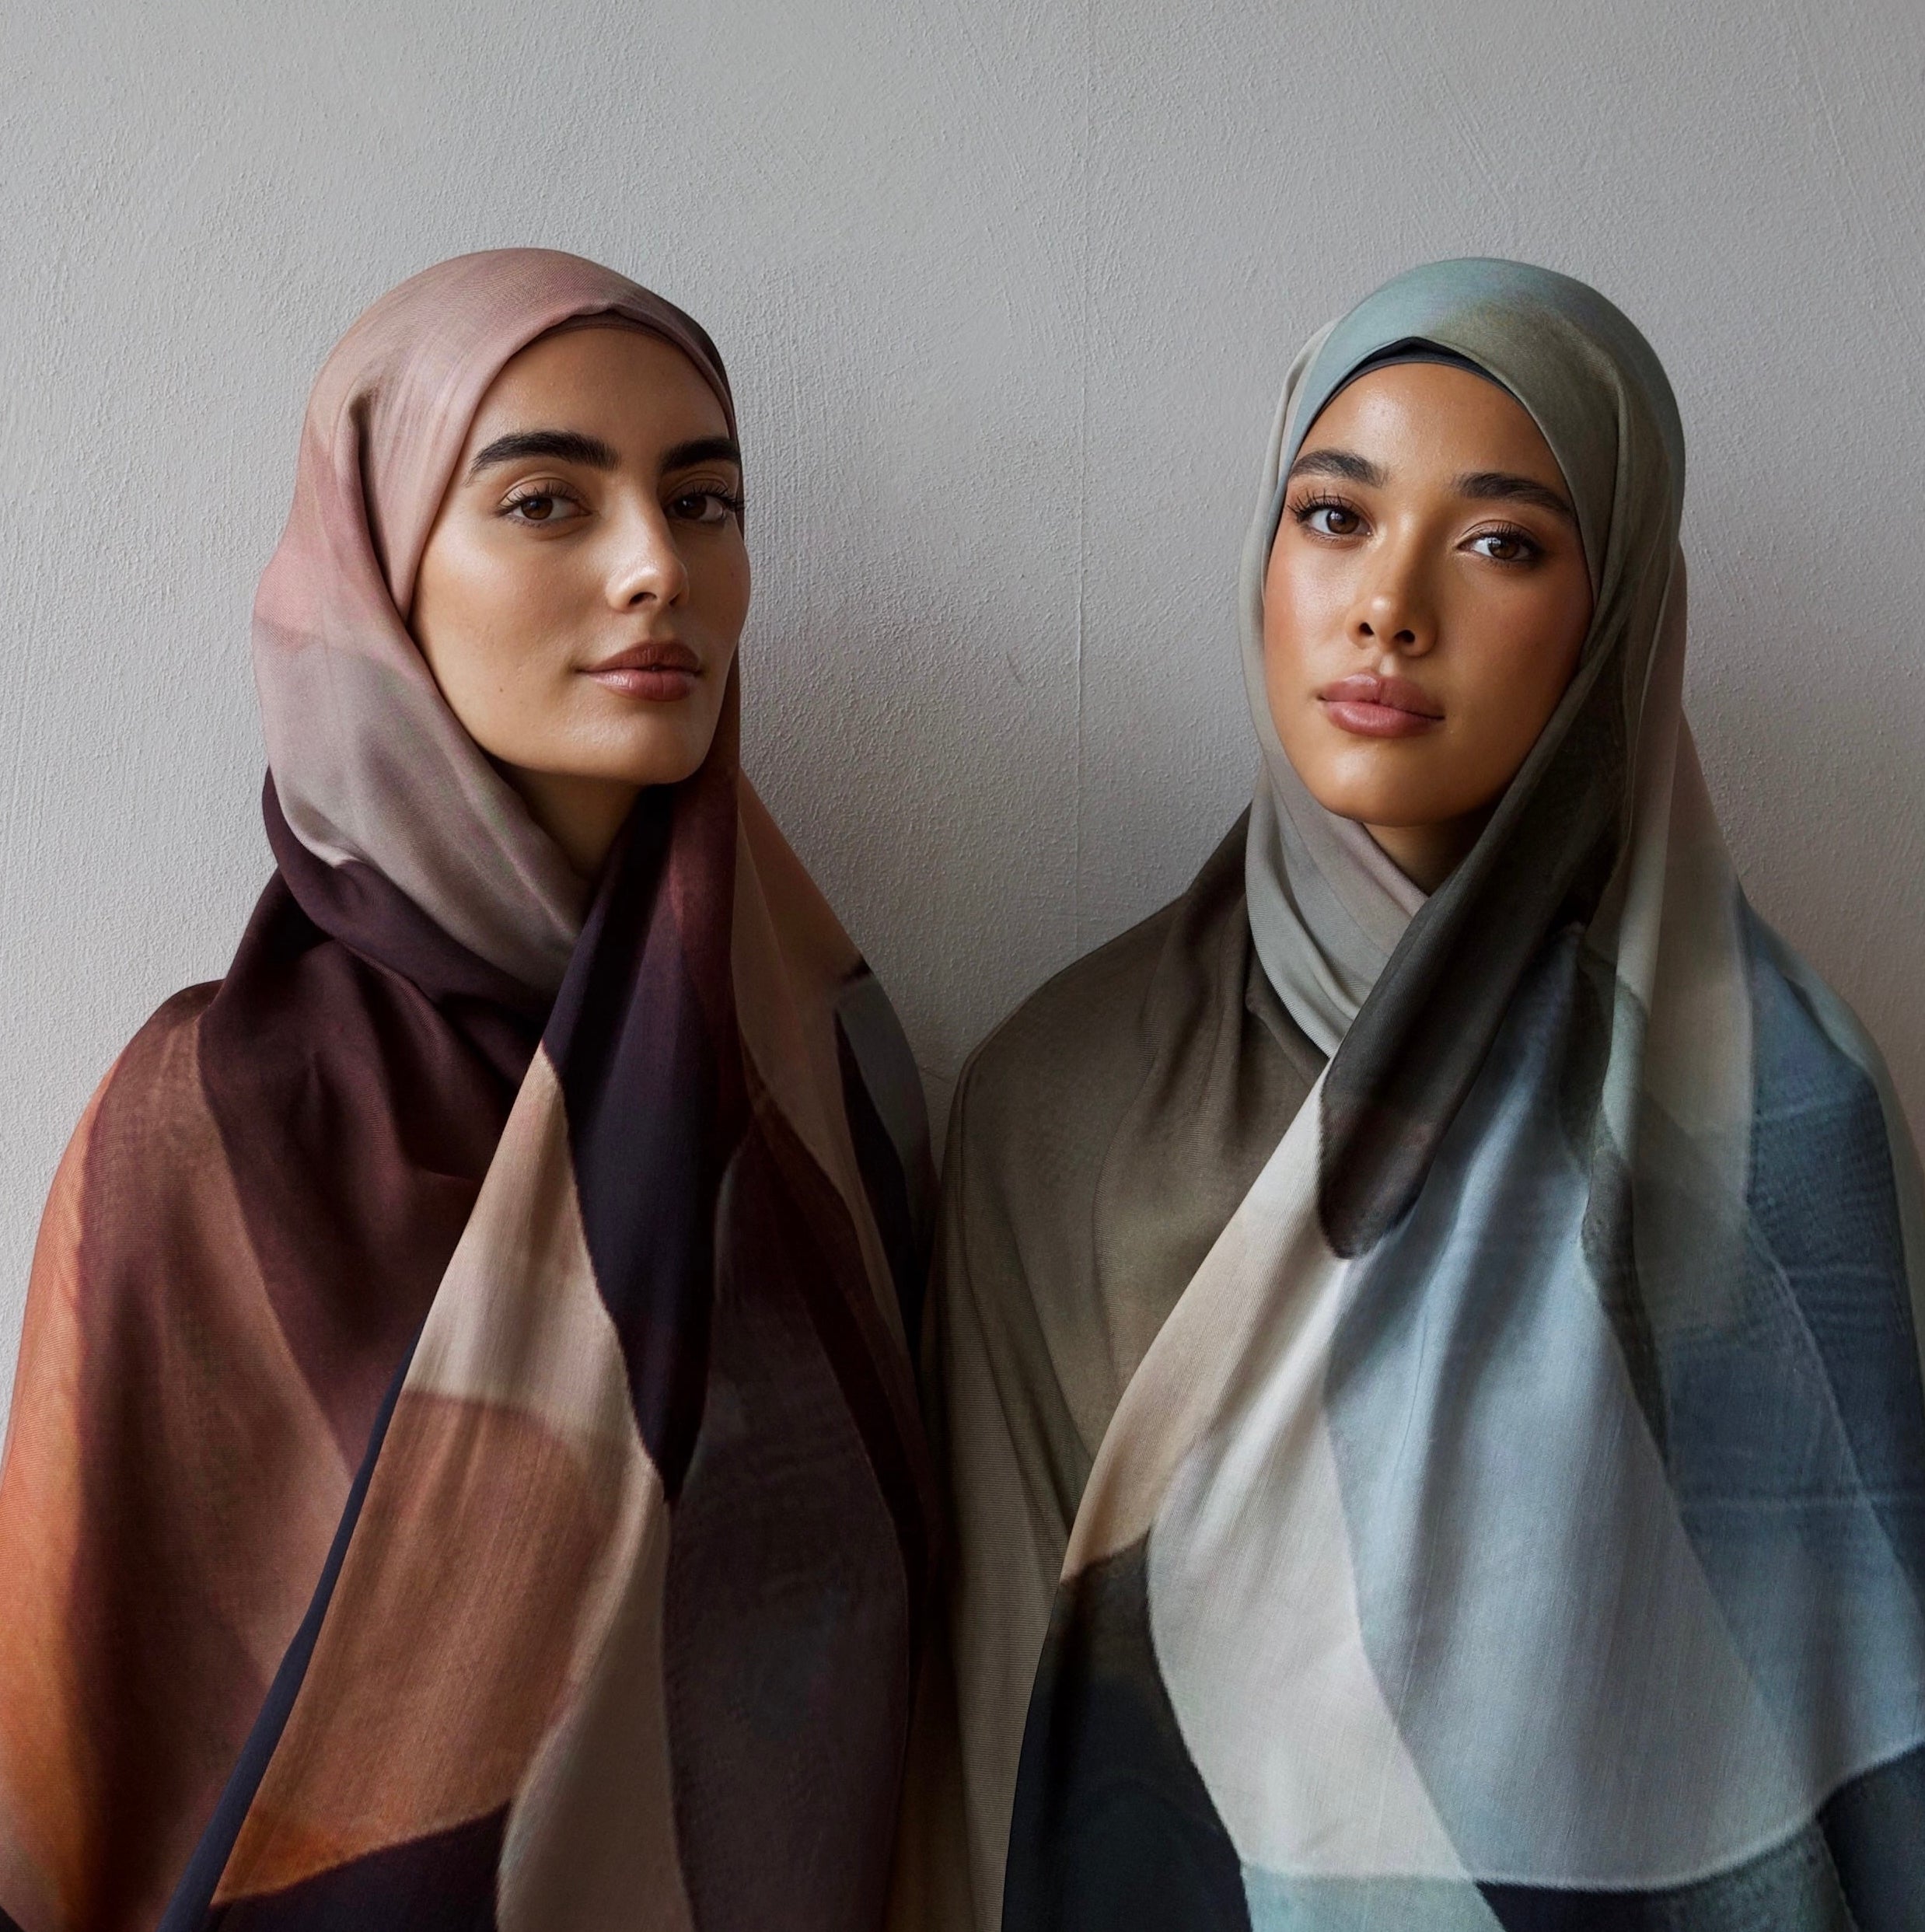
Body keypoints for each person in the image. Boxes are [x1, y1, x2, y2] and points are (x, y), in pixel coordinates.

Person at [919, 258, 1925, 1929]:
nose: (1388, 604)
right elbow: (998, 1737)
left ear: (1615, 616)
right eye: (1332, 516)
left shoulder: (1780, 1119)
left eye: (1500, 542)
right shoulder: (1063, 1098)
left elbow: (1860, 1737)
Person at [0, 248, 935, 1930]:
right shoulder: (208, 1123)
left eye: (703, 502)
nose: (656, 568)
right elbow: (88, 1739)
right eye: (545, 502)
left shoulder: (816, 1075)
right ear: (375, 571)